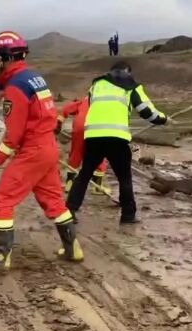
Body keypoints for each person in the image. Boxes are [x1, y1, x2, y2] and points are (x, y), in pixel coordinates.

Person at [0, 31, 82, 272]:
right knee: (53, 200)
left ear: (3, 59)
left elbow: (14, 134)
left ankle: (0, 258)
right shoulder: (34, 78)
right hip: (48, 148)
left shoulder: (16, 87)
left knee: (2, 200)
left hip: (32, 151)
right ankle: (73, 248)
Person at [66, 61, 171, 224]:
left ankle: (70, 210)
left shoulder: (97, 84)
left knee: (85, 174)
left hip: (93, 135)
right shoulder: (132, 87)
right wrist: (164, 119)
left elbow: (94, 105)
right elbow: (147, 112)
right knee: (124, 177)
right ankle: (128, 215)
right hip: (116, 137)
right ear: (128, 72)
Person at [56, 96, 109, 194]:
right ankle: (97, 188)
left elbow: (66, 108)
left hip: (79, 126)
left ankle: (69, 185)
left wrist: (59, 122)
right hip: (95, 126)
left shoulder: (85, 99)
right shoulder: (108, 99)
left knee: (75, 153)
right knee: (99, 155)